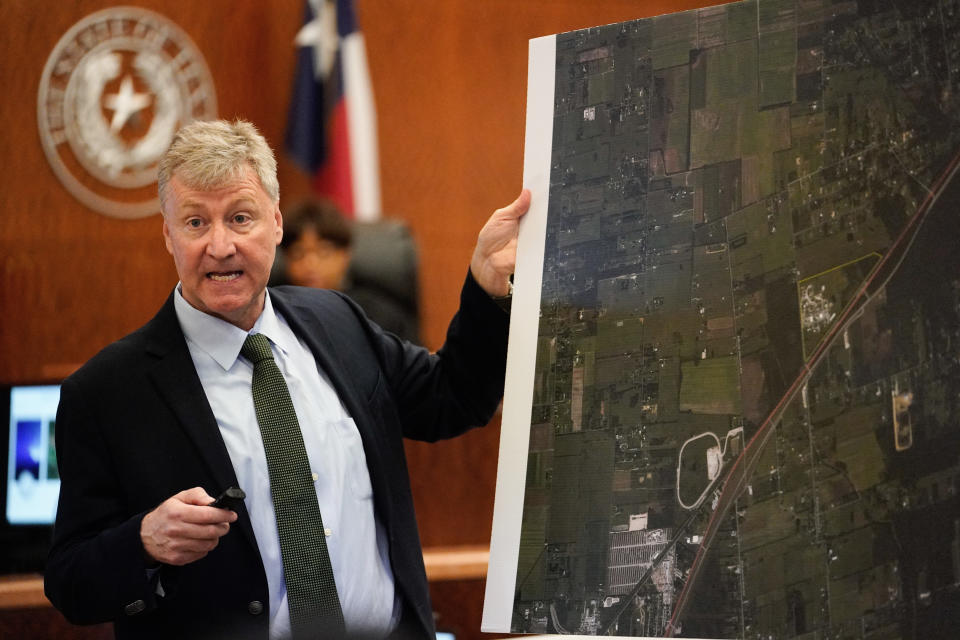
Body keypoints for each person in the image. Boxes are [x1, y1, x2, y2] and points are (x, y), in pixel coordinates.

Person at [44, 119, 530, 640]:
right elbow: (70, 582)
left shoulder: (337, 320)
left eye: (240, 217)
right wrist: (142, 542)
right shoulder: (106, 393)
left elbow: (452, 398)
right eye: (194, 223)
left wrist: (484, 286)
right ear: (167, 234)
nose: (220, 245)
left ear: (276, 223)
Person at [279, 200, 421, 343]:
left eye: (324, 252)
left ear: (345, 255)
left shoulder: (378, 315)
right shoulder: (276, 315)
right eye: (298, 253)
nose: (310, 264)